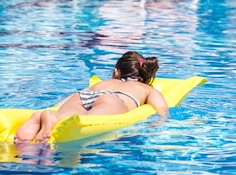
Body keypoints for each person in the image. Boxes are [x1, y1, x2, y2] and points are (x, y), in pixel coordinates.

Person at [14, 51, 169, 142]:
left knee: (68, 114)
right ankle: (52, 119)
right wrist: (155, 126)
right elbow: (162, 110)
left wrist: (54, 108)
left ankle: (49, 116)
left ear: (116, 71)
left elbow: (69, 99)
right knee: (88, 120)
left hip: (84, 95)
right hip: (113, 100)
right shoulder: (146, 89)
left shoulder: (104, 83)